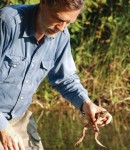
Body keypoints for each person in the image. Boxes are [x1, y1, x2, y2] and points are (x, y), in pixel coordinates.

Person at [0, 0, 112, 149]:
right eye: (59, 19)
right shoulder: (7, 23)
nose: (62, 28)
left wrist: (86, 104)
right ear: (43, 3)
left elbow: (66, 79)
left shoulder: (61, 35)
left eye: (68, 22)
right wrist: (3, 128)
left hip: (18, 118)